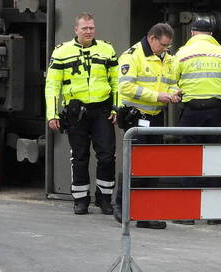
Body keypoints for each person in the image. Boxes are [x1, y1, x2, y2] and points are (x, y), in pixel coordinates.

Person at [45, 13, 119, 215]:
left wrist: (116, 108)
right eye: (84, 28)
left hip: (102, 110)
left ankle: (104, 199)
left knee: (106, 156)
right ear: (75, 29)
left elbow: (116, 82)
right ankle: (80, 199)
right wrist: (52, 114)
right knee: (79, 157)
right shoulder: (61, 52)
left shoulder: (106, 49)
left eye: (91, 28)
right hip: (75, 113)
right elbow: (52, 86)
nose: (88, 31)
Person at [170, 17, 221, 225]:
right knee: (215, 158)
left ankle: (187, 214)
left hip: (191, 111)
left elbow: (172, 84)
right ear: (211, 34)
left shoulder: (181, 54)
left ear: (192, 33)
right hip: (216, 111)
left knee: (189, 158)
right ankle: (214, 214)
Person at [113, 22, 180, 229]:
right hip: (137, 117)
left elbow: (173, 80)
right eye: (163, 45)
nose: (166, 49)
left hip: (156, 116)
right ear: (152, 39)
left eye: (168, 46)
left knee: (152, 166)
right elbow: (125, 87)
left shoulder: (168, 58)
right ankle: (120, 206)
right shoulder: (132, 56)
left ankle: (146, 213)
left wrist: (174, 92)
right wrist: (157, 96)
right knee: (134, 164)